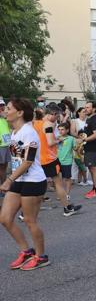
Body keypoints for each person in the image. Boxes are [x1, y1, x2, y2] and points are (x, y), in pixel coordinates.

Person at [0, 99, 50, 270]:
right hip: (19, 179)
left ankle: (41, 256)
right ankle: (26, 251)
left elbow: (28, 161)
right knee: (5, 219)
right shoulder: (14, 132)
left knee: (30, 220)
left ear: (20, 112)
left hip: (33, 181)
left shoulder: (29, 132)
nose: (5, 111)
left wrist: (8, 179)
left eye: (8, 108)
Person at [34, 105, 82, 216]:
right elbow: (50, 142)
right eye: (57, 116)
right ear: (53, 114)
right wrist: (60, 139)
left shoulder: (36, 123)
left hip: (38, 158)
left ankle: (24, 213)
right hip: (49, 158)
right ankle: (67, 208)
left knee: (39, 185)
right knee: (58, 183)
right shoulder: (48, 124)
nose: (57, 119)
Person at [82, 101, 96, 199]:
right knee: (91, 169)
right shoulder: (89, 119)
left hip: (93, 148)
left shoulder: (94, 120)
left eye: (88, 107)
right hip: (88, 148)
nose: (85, 109)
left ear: (94, 109)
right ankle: (94, 189)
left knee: (94, 169)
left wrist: (84, 139)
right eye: (85, 107)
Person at [57, 121, 76, 200]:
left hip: (67, 161)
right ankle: (61, 193)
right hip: (57, 161)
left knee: (67, 178)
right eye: (59, 129)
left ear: (67, 130)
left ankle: (67, 194)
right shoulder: (56, 138)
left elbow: (75, 148)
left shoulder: (71, 138)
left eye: (62, 129)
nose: (60, 131)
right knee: (58, 179)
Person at [0, 98, 11, 186]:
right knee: (1, 168)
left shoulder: (4, 117)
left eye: (3, 105)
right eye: (0, 105)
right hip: (0, 146)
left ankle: (3, 186)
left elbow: (12, 126)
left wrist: (6, 117)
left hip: (6, 145)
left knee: (4, 168)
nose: (1, 107)